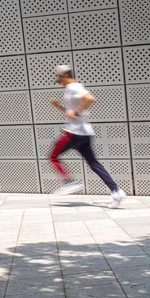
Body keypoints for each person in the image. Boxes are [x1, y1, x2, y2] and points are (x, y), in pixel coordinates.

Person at [49, 65, 126, 208]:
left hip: (74, 133)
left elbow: (90, 99)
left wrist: (77, 112)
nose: (59, 82)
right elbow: (70, 113)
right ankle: (116, 191)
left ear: (64, 75)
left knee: (53, 156)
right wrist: (59, 107)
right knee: (93, 163)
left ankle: (70, 182)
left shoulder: (73, 87)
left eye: (59, 79)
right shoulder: (72, 88)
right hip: (85, 133)